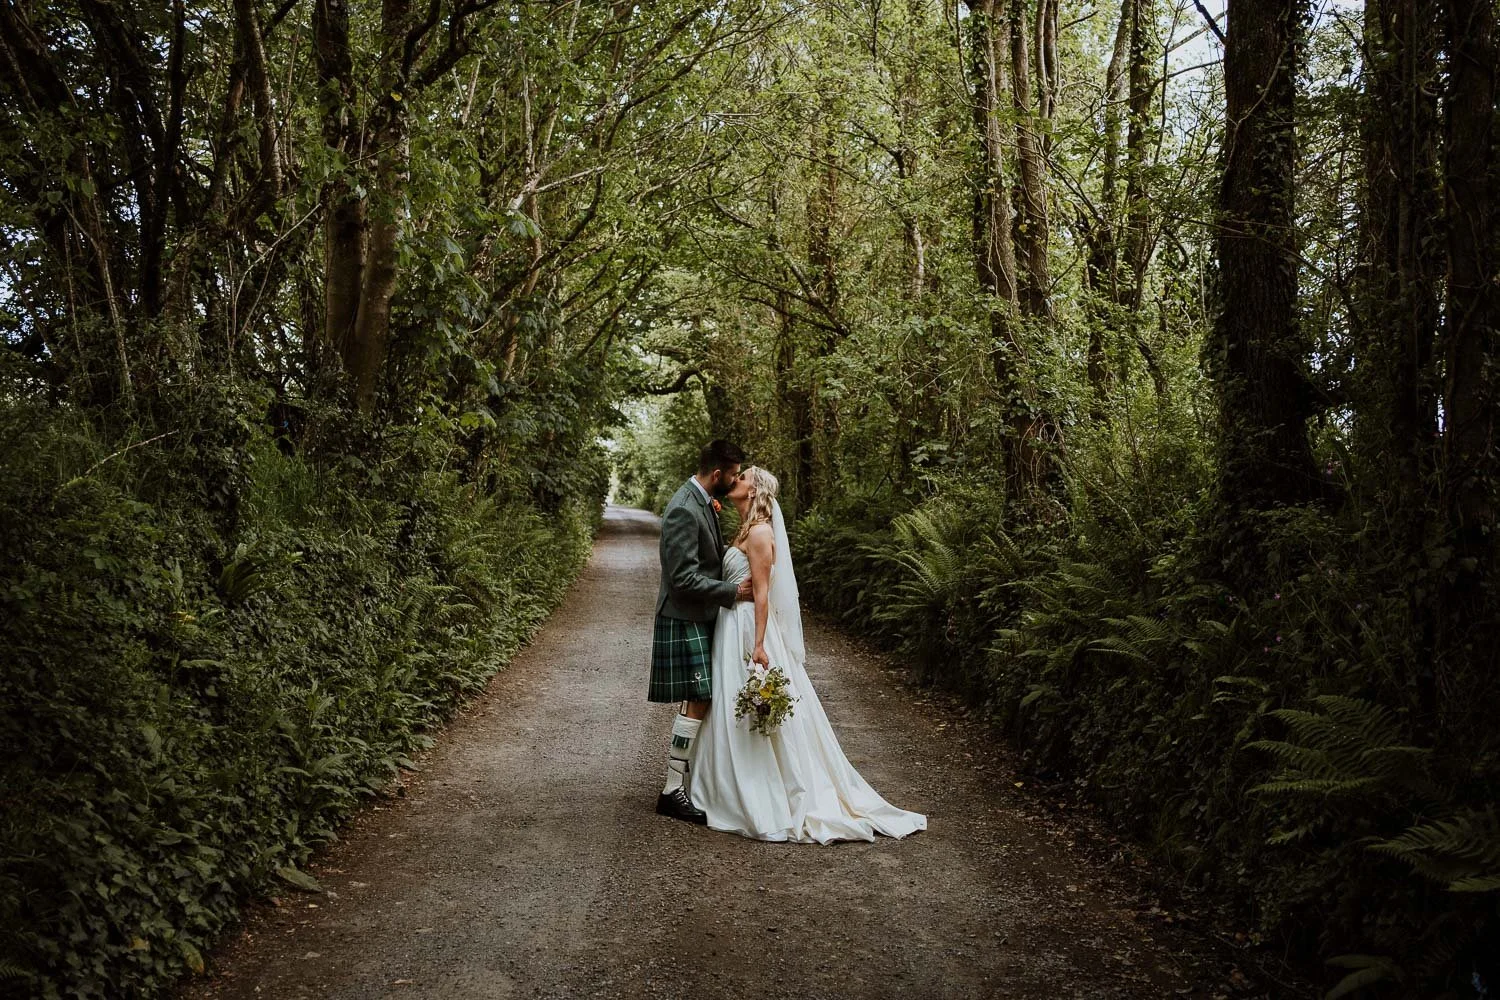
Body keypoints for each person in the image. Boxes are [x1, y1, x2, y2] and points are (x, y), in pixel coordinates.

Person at [689, 466, 927, 843]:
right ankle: (723, 784)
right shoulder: (745, 530)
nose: (737, 478)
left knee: (752, 703)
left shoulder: (762, 533)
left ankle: (760, 791)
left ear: (756, 491)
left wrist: (759, 645)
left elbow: (764, 593)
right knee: (728, 702)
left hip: (749, 628)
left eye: (746, 476)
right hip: (732, 622)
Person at [648, 439, 753, 824]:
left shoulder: (703, 501)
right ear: (716, 474)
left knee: (699, 699)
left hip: (698, 614)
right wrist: (734, 591)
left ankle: (682, 781)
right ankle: (672, 790)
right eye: (733, 473)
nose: (736, 479)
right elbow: (681, 580)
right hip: (683, 614)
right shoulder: (683, 510)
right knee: (700, 698)